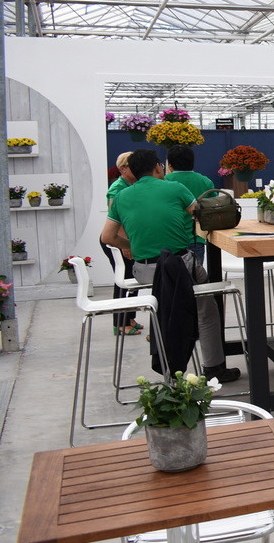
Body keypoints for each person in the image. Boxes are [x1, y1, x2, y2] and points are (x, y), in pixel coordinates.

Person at [101, 149, 240, 383]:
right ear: (158, 167)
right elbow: (201, 215)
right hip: (179, 267)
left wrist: (132, 246)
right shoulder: (175, 188)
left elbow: (107, 237)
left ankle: (170, 361)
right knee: (207, 310)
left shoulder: (121, 196)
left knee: (172, 299)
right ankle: (214, 368)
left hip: (145, 272)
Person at [102, 150, 141, 335]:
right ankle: (119, 323)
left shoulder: (132, 185)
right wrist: (124, 244)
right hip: (119, 240)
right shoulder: (117, 188)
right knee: (123, 280)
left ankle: (130, 318)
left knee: (133, 278)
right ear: (123, 168)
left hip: (129, 239)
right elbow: (115, 219)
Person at [164, 145, 215, 261]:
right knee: (195, 271)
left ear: (170, 165)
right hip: (196, 238)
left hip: (171, 239)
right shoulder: (206, 181)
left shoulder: (164, 181)